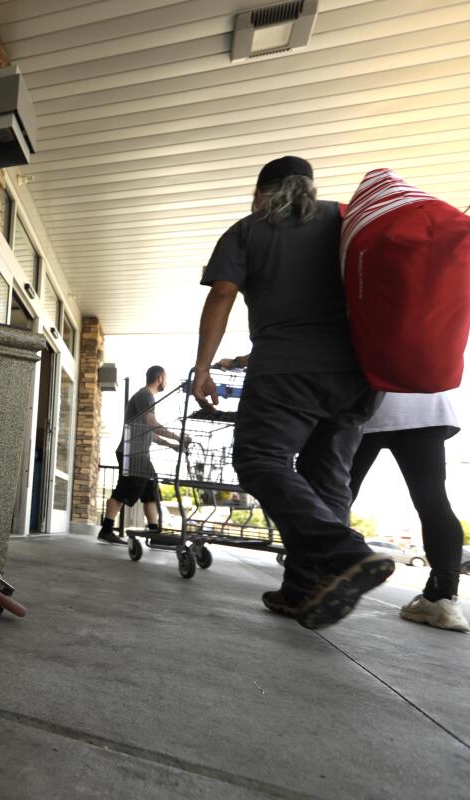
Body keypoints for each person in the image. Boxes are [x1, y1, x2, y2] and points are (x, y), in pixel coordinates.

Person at [193, 155, 392, 631]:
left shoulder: (249, 229)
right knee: (328, 479)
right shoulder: (345, 219)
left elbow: (221, 294)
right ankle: (305, 589)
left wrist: (203, 366)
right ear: (309, 186)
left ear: (261, 192)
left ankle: (342, 552)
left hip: (287, 368)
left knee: (260, 458)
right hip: (357, 375)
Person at [349, 393, 468, 632]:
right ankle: (442, 598)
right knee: (434, 501)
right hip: (426, 407)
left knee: (339, 491)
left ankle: (313, 578)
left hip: (366, 403)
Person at [98, 366, 186, 544]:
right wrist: (179, 437)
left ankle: (154, 532)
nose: (166, 382)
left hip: (139, 454)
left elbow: (150, 433)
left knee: (151, 492)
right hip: (132, 454)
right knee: (123, 491)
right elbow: (152, 424)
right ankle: (106, 530)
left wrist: (171, 445)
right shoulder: (145, 395)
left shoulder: (145, 397)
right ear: (160, 378)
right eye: (166, 378)